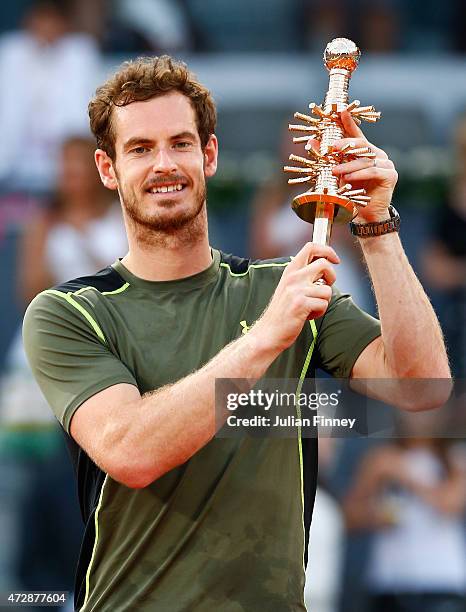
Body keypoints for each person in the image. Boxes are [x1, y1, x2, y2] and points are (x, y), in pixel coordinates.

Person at [22, 56, 450, 611]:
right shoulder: (69, 312)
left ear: (210, 155)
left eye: (180, 143)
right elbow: (131, 451)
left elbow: (423, 387)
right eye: (140, 148)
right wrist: (265, 337)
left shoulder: (286, 288)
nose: (164, 164)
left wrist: (376, 225)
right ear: (108, 168)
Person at [343, 433, 466, 612]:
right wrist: (375, 516)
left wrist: (406, 476)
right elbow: (347, 518)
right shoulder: (381, 457)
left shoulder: (456, 457)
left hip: (441, 582)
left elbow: (448, 505)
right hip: (387, 583)